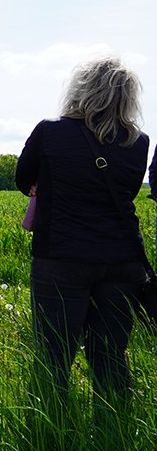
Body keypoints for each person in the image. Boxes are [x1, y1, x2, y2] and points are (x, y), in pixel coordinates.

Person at [15, 57, 148, 410]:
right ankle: (114, 426)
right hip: (122, 260)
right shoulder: (138, 142)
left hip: (61, 258)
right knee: (111, 352)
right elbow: (128, 192)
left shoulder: (50, 131)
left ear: (81, 88)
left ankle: (50, 430)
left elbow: (21, 178)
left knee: (53, 352)